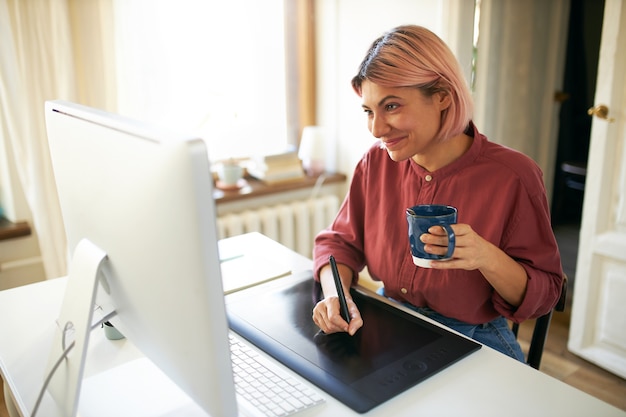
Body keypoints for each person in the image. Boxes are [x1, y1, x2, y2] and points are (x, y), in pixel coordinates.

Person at [311, 25, 563, 362]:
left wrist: (485, 256)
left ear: (443, 95)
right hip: (394, 322)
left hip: (475, 340)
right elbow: (338, 243)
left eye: (392, 107)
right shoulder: (376, 161)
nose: (376, 129)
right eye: (369, 111)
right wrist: (335, 297)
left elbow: (545, 293)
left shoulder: (514, 176)